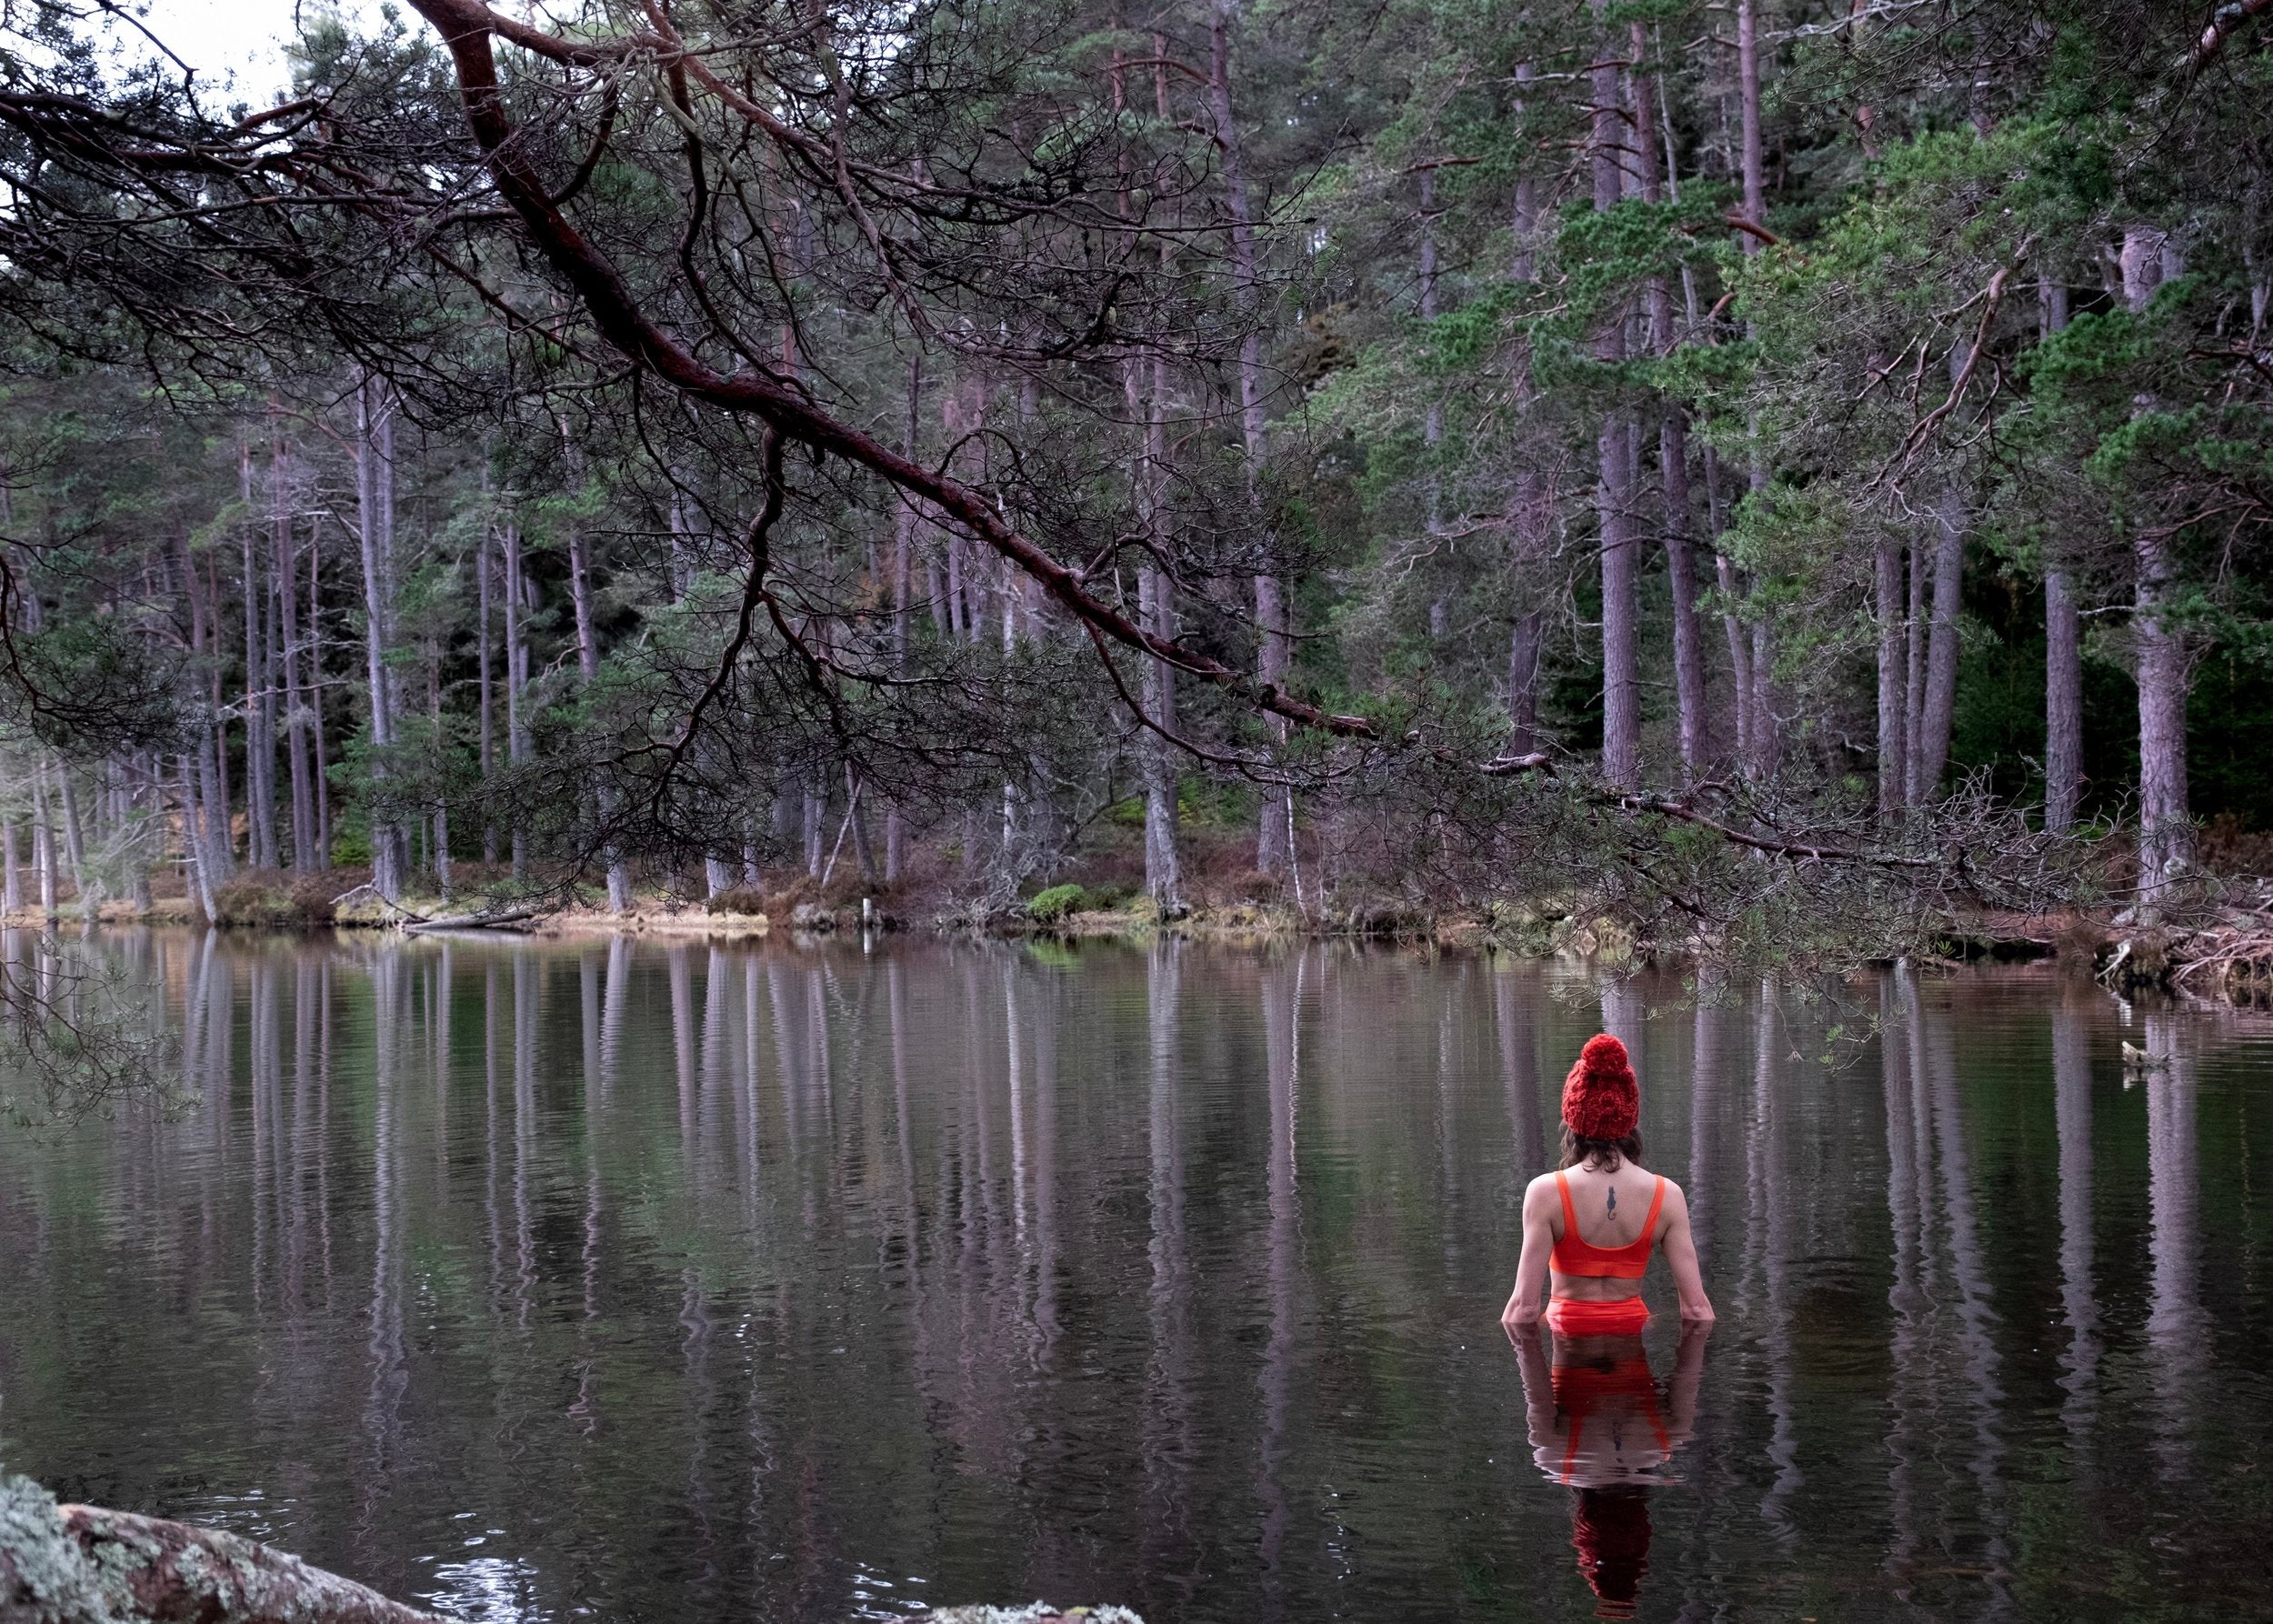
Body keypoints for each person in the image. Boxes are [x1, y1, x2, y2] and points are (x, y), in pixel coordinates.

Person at [1500, 1033, 1714, 1334]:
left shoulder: (1545, 1193)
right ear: (1629, 1116)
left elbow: (1523, 1308)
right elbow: (1696, 1309)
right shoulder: (1667, 1196)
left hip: (1568, 1345)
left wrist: (1529, 1381)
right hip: (1631, 1346)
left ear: (1573, 1116)